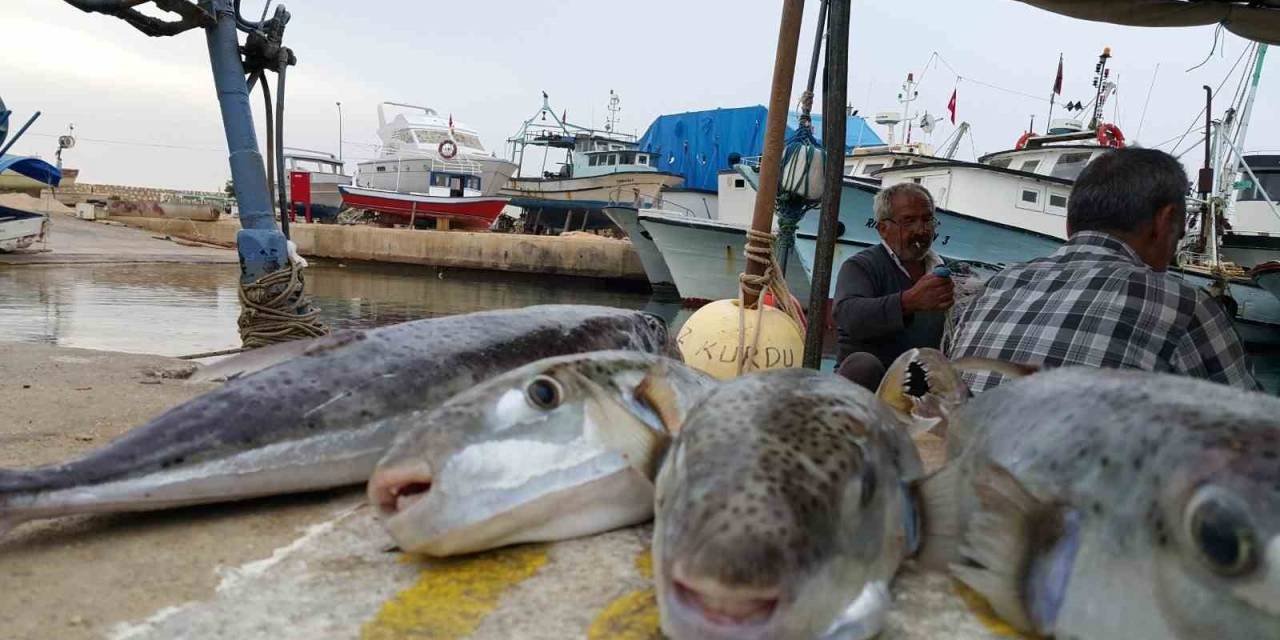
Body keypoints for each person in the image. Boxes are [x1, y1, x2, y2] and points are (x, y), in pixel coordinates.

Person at [947, 147, 1260, 392]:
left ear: (1069, 224)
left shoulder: (996, 286)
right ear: (1165, 222)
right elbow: (1254, 436)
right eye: (1179, 235)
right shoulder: (1185, 307)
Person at [833, 182, 954, 390]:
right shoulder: (861, 266)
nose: (921, 230)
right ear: (883, 229)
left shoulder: (945, 270)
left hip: (920, 387)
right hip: (871, 389)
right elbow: (848, 315)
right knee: (863, 365)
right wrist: (908, 302)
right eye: (908, 221)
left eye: (927, 220)